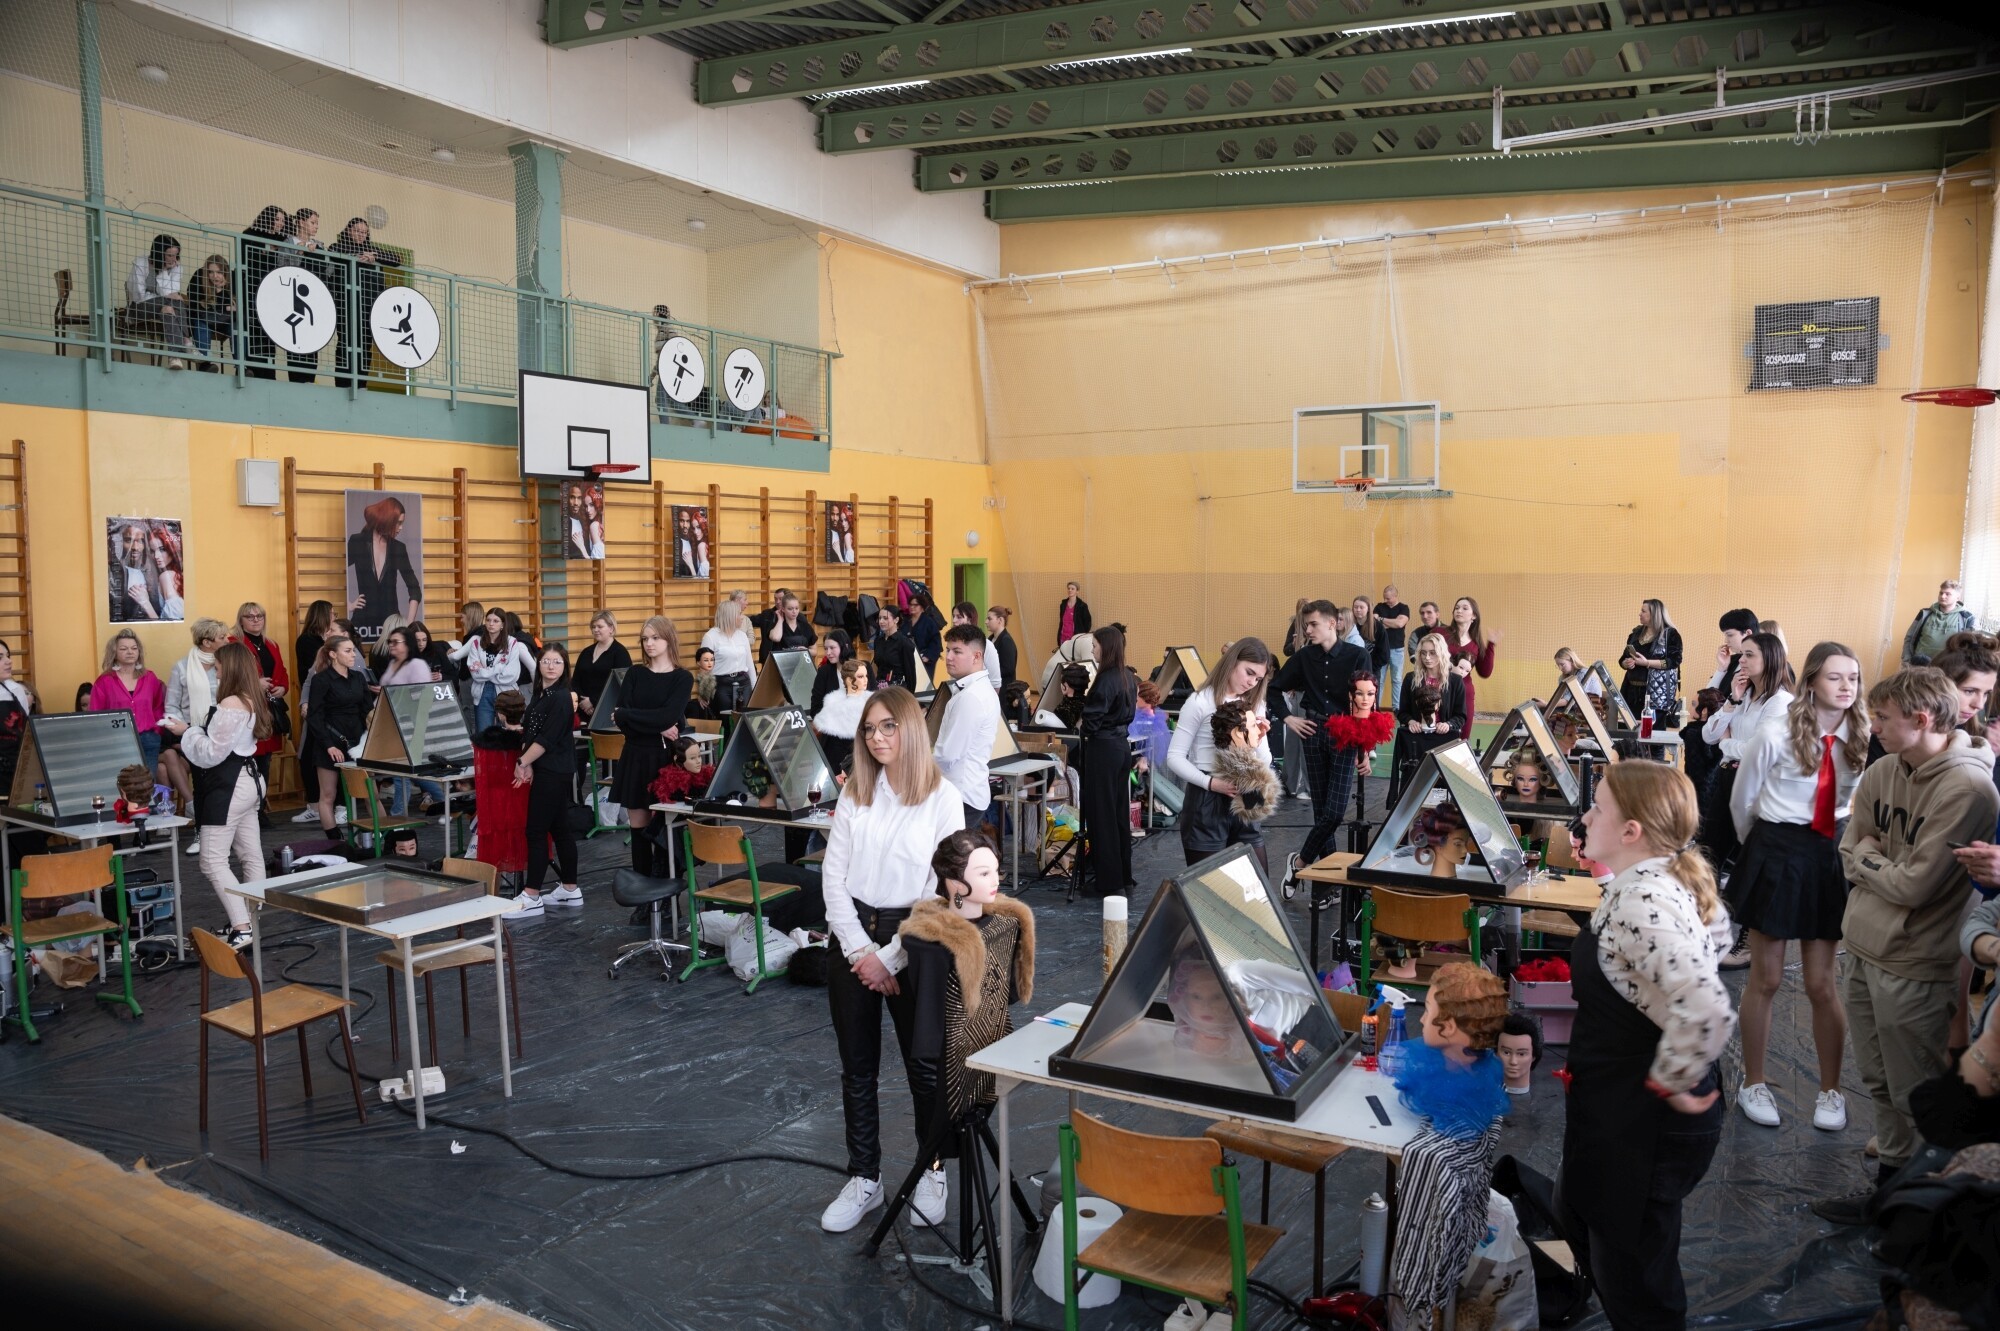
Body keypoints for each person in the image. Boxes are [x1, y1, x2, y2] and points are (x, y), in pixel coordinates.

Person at [1816, 668, 2000, 1224]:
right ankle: (1891, 1190)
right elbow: (1848, 848)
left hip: (1915, 960)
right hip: (1863, 945)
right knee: (1878, 1079)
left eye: (1882, 717)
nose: (1872, 726)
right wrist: (1873, 860)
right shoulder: (1882, 770)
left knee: (1914, 1088)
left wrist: (1869, 858)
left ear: (1920, 720)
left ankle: (1925, 1207)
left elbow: (1915, 886)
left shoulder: (1968, 788)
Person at [1560, 761, 1736, 1331]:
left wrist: (1673, 1077)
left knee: (1634, 1279)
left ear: (1631, 831)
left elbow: (1707, 1005)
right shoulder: (1654, 881)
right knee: (1584, 1220)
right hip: (1617, 1108)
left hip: (1643, 1120)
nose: (1587, 818)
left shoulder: (1643, 899)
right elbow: (1717, 936)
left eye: (1598, 809)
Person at [817, 686, 968, 1233]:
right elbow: (833, 877)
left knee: (923, 1066)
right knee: (857, 1068)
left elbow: (939, 891)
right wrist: (861, 952)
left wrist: (890, 957)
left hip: (917, 938)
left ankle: (932, 1170)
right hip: (853, 935)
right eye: (869, 729)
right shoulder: (856, 792)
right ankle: (865, 1177)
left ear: (910, 729)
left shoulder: (943, 798)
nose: (877, 738)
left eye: (888, 726)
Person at [1727, 642, 1868, 1133]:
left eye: (1853, 677)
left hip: (1827, 853)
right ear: (1810, 682)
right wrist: (1764, 852)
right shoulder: (1776, 731)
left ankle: (1831, 1091)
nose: (1846, 686)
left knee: (1821, 984)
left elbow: (1852, 801)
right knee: (1765, 979)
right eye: (1835, 677)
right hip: (1777, 847)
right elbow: (1742, 800)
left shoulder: (1862, 734)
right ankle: (1753, 1082)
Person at [893, 830, 1035, 1231]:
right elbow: (927, 1039)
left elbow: (1005, 994)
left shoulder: (1005, 923)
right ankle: (934, 1168)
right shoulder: (931, 944)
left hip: (990, 1051)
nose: (996, 880)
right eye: (983, 873)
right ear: (955, 883)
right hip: (954, 1067)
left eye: (996, 870)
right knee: (950, 1112)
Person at [1388, 963, 1512, 1331]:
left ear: (1451, 1028)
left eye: (1427, 1010)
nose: (1421, 1018)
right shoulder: (1466, 1065)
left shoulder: (1437, 1153)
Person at [161, 642, 271, 948]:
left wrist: (187, 732)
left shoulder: (231, 704)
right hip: (248, 782)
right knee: (250, 855)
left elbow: (211, 753)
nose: (215, 671)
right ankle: (249, 922)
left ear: (230, 668)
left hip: (229, 786)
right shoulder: (250, 698)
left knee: (211, 861)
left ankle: (242, 927)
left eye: (218, 666)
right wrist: (193, 730)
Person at [1270, 600, 1374, 872]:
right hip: (1313, 732)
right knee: (1321, 811)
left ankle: (1299, 862)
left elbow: (1365, 705)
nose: (1308, 631)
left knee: (1335, 812)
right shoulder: (1304, 657)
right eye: (1306, 626)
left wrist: (1364, 751)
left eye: (1313, 624)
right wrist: (1288, 718)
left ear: (1333, 623)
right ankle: (1328, 878)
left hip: (1345, 736)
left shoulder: (1357, 655)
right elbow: (1274, 689)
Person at [1697, 630, 1793, 896]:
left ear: (1770, 659)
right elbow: (1708, 735)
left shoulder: (1781, 701)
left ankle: (1742, 917)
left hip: (1757, 785)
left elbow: (1756, 750)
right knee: (1708, 854)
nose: (1741, 660)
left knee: (1748, 858)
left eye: (1749, 655)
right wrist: (1732, 700)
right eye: (1742, 654)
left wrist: (1727, 744)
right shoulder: (1743, 694)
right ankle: (1705, 911)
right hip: (1728, 778)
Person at [1167, 638, 1274, 869]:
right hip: (1207, 799)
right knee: (1210, 884)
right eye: (1249, 673)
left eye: (1258, 678)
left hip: (1247, 796)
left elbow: (1265, 761)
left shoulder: (1256, 702)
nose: (1251, 682)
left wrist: (1257, 740)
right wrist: (1210, 783)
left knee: (1256, 883)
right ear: (1232, 662)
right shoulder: (1199, 702)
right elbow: (1174, 757)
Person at [611, 616, 691, 880]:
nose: (649, 643)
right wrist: (656, 726)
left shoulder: (682, 677)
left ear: (669, 639)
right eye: (645, 639)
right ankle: (642, 890)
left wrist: (630, 715)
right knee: (638, 829)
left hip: (664, 758)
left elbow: (668, 716)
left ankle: (667, 890)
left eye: (655, 638)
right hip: (635, 756)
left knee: (667, 828)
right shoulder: (635, 673)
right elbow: (622, 721)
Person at [509, 643, 581, 916]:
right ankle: (570, 888)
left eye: (557, 662)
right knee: (560, 829)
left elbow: (546, 739)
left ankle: (532, 895)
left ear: (565, 667)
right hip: (546, 767)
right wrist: (526, 761)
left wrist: (522, 762)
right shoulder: (542, 693)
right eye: (546, 661)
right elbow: (531, 731)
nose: (551, 666)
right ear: (538, 665)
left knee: (536, 831)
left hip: (554, 770)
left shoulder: (561, 697)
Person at [160, 619, 228, 854]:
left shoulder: (227, 664)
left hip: (223, 732)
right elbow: (172, 706)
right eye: (222, 638)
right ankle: (201, 834)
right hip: (193, 734)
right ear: (207, 642)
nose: (227, 641)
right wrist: (187, 730)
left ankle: (225, 836)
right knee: (202, 786)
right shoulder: (182, 667)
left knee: (224, 784)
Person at [1078, 626, 1137, 892]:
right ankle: (1123, 877)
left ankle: (1109, 883)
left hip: (1103, 749)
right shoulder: (1128, 676)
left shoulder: (1105, 679)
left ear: (1106, 647)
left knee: (1102, 816)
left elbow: (1091, 721)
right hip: (1121, 748)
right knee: (1118, 814)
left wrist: (1083, 727)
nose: (1092, 650)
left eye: (1095, 645)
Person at [934, 625, 1002, 829]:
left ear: (976, 656)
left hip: (961, 794)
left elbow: (948, 755)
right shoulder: (976, 689)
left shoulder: (971, 696)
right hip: (965, 791)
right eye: (948, 650)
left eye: (957, 651)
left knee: (948, 850)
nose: (948, 657)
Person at [304, 635, 371, 839]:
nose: (353, 655)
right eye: (348, 651)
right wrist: (328, 745)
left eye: (353, 650)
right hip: (330, 741)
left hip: (357, 742)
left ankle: (385, 834)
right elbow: (315, 716)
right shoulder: (321, 679)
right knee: (328, 795)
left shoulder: (359, 677)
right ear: (333, 654)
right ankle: (334, 839)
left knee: (370, 793)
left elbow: (368, 710)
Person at [376, 627, 447, 818]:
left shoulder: (417, 665)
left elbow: (422, 697)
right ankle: (447, 802)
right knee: (410, 772)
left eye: (396, 642)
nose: (391, 645)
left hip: (411, 726)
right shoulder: (393, 664)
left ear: (407, 644)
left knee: (402, 773)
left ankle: (398, 815)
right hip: (393, 724)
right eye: (390, 642)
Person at [1392, 633, 1466, 802]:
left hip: (1442, 742)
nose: (1427, 657)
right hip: (1417, 743)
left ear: (1442, 653)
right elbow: (1402, 712)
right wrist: (1410, 721)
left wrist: (1449, 724)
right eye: (1423, 653)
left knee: (1441, 791)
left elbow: (1461, 715)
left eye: (1432, 653)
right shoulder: (1411, 679)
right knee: (1413, 791)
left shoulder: (1455, 681)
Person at [229, 602, 290, 797]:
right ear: (241, 620)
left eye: (259, 616)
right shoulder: (233, 643)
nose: (256, 620)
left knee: (265, 761)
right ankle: (250, 805)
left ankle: (260, 805)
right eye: (250, 617)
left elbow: (282, 671)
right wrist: (255, 684)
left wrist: (283, 687)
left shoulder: (271, 644)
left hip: (269, 709)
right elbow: (229, 675)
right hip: (247, 708)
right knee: (248, 760)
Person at [89, 629, 166, 776]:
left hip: (148, 739)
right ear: (114, 653)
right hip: (117, 740)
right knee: (123, 782)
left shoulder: (149, 677)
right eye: (123, 649)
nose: (130, 652)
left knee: (148, 782)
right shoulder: (104, 681)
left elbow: (158, 706)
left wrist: (156, 731)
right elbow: (96, 713)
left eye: (134, 648)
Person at [346, 495, 423, 641]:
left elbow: (415, 589)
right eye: (398, 523)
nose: (401, 528)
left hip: (391, 622)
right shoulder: (358, 541)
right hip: (363, 620)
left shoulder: (398, 548)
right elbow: (338, 570)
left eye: (402, 523)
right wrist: (348, 605)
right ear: (387, 519)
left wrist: (409, 624)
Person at [450, 608, 537, 735]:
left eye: (496, 621)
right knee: (484, 733)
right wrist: (499, 668)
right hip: (482, 691)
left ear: (502, 624)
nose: (491, 624)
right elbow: (475, 673)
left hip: (506, 692)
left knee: (508, 733)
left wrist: (485, 671)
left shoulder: (512, 642)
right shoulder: (476, 642)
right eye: (488, 620)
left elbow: (511, 675)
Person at [328, 216, 385, 389]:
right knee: (346, 341)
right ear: (349, 231)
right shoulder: (339, 246)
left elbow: (397, 259)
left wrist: (374, 256)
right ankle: (343, 384)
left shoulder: (372, 250)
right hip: (346, 303)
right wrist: (357, 256)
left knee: (365, 344)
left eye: (364, 232)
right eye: (357, 231)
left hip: (368, 305)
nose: (361, 235)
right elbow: (332, 253)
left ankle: (361, 384)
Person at [126, 234, 193, 368]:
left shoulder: (176, 267)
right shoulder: (140, 264)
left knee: (169, 309)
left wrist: (164, 270)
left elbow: (172, 294)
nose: (173, 259)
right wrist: (162, 272)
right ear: (158, 253)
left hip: (164, 307)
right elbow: (138, 296)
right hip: (139, 308)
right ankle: (186, 341)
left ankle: (174, 357)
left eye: (175, 255)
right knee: (172, 304)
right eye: (169, 255)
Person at [239, 205, 290, 379]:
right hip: (253, 288)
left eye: (283, 220)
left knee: (269, 331)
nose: (280, 224)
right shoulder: (251, 233)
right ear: (267, 218)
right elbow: (245, 257)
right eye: (277, 219)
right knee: (254, 329)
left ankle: (269, 374)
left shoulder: (283, 239)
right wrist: (267, 248)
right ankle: (253, 370)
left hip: (273, 292)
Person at [1443, 596, 1501, 739]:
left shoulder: (1476, 643)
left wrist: (1491, 645)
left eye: (1464, 608)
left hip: (1465, 694)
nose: (1459, 611)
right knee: (1441, 734)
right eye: (1456, 608)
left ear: (1474, 615)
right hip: (1442, 691)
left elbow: (1485, 672)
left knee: (1462, 738)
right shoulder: (1440, 633)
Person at [1619, 598, 1683, 724]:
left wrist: (1647, 663)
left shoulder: (1670, 634)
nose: (1640, 614)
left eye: (1643, 611)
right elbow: (1623, 658)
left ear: (1654, 614)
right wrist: (1625, 663)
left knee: (1654, 732)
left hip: (1656, 695)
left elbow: (1674, 661)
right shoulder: (1636, 633)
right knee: (1631, 731)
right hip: (1631, 693)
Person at [283, 206, 325, 383]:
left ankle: (310, 379)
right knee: (294, 337)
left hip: (313, 298)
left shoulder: (320, 245)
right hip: (292, 297)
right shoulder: (288, 242)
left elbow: (328, 270)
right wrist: (299, 253)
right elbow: (282, 267)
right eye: (313, 222)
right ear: (301, 222)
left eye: (317, 223)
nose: (316, 226)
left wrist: (318, 253)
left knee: (312, 339)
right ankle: (296, 380)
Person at [815, 657, 870, 776]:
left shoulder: (871, 704)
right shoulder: (835, 705)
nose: (866, 680)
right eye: (861, 676)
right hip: (838, 762)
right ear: (849, 680)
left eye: (866, 676)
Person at [573, 610, 631, 723]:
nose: (595, 630)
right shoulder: (586, 652)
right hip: (583, 711)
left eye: (600, 626)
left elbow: (621, 686)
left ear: (611, 628)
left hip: (607, 713)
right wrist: (582, 702)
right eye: (593, 627)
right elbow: (575, 681)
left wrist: (593, 701)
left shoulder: (620, 653)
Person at [1904, 578, 1978, 666]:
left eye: (1947, 594)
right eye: (1941, 593)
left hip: (1948, 667)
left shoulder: (1966, 618)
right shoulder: (1924, 613)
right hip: (1919, 665)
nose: (1943, 596)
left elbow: (1970, 647)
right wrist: (1906, 660)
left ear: (1958, 597)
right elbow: (1909, 637)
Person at [700, 597, 755, 714]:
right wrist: (704, 693)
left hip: (743, 683)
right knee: (725, 719)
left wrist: (755, 688)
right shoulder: (710, 637)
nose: (742, 617)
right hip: (721, 685)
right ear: (730, 616)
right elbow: (705, 668)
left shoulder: (742, 636)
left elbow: (750, 664)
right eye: (739, 614)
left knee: (744, 719)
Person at [107, 521, 164, 622]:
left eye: (141, 541)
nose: (135, 547)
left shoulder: (154, 569)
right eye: (128, 540)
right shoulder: (112, 571)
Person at [187, 253, 236, 367]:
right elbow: (195, 306)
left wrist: (219, 290)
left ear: (225, 273)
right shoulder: (198, 278)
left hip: (226, 321)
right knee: (201, 323)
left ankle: (242, 367)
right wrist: (226, 307)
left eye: (219, 272)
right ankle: (205, 365)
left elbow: (238, 308)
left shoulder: (233, 280)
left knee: (237, 327)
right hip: (205, 319)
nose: (215, 276)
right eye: (211, 272)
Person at [1374, 584, 1412, 708]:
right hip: (1380, 649)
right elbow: (1375, 625)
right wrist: (1392, 622)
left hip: (1397, 649)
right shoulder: (1379, 606)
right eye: (1384, 597)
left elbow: (1400, 624)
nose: (1385, 600)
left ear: (1395, 596)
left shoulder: (1404, 608)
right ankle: (1376, 707)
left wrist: (1381, 619)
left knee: (1397, 680)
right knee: (1379, 680)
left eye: (1388, 598)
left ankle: (1397, 708)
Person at [951, 603, 1003, 690]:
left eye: (959, 617)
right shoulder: (954, 644)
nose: (954, 620)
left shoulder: (987, 645)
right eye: (953, 616)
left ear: (970, 620)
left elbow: (995, 683)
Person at [758, 588, 816, 664]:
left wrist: (805, 650)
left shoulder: (806, 627)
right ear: (783, 609)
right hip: (782, 665)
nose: (794, 611)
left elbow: (814, 651)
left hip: (801, 664)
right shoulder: (776, 625)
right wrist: (780, 619)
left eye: (796, 608)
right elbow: (776, 638)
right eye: (790, 609)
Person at [872, 603, 920, 692]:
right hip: (879, 688)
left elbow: (910, 674)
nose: (881, 621)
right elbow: (876, 665)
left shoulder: (904, 643)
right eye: (880, 618)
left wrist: (910, 695)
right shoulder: (878, 641)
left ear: (896, 620)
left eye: (885, 618)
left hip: (896, 690)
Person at [811, 630, 858, 717]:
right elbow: (815, 708)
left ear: (845, 646)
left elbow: (873, 701)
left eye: (832, 648)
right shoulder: (823, 672)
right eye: (826, 649)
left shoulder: (863, 668)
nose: (828, 653)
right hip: (832, 722)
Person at [148, 524, 187, 622]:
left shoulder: (166, 576)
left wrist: (144, 603)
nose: (156, 556)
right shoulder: (178, 574)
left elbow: (173, 622)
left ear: (173, 549)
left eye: (162, 549)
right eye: (152, 551)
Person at [905, 592, 943, 685]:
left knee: (923, 685)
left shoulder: (929, 622)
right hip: (908, 658)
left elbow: (936, 642)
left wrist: (928, 656)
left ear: (922, 607)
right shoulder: (905, 621)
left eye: (915, 605)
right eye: (910, 604)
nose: (912, 607)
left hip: (924, 658)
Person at [985, 607, 1018, 687]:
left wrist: (986, 672)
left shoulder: (1006, 641)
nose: (986, 622)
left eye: (989, 619)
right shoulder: (990, 639)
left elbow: (1008, 669)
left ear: (1000, 620)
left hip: (1003, 688)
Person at [1056, 581, 1091, 647]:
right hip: (1063, 638)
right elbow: (1062, 622)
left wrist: (1081, 635)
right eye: (1068, 588)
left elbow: (1087, 623)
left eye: (1072, 589)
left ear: (1077, 591)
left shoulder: (1082, 606)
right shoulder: (1063, 605)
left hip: (1076, 639)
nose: (1070, 590)